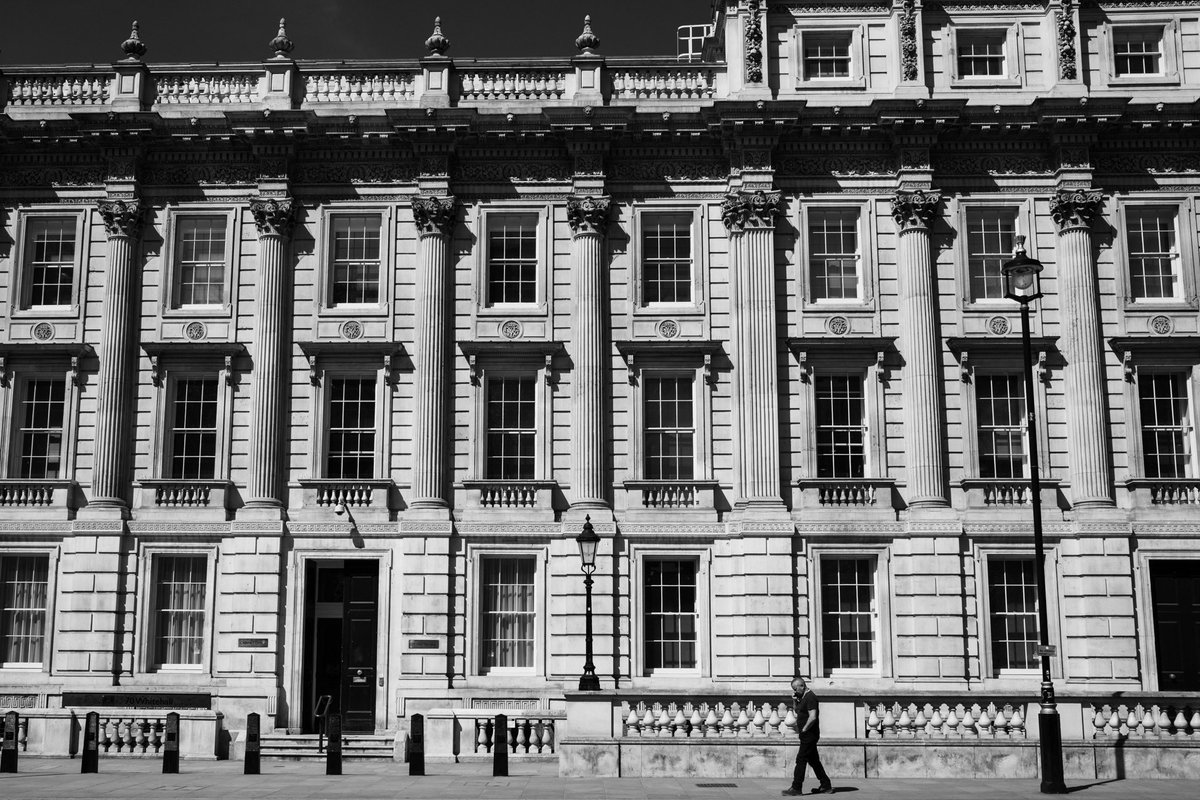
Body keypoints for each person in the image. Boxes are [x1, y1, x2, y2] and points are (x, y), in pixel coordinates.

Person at [782, 676, 832, 796]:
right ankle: (826, 785)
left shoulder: (810, 697)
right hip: (806, 735)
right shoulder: (803, 697)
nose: (794, 691)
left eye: (795, 688)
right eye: (793, 689)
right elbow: (797, 711)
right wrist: (795, 700)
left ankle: (796, 787)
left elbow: (813, 716)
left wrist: (804, 729)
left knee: (801, 759)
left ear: (802, 686)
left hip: (809, 734)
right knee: (814, 760)